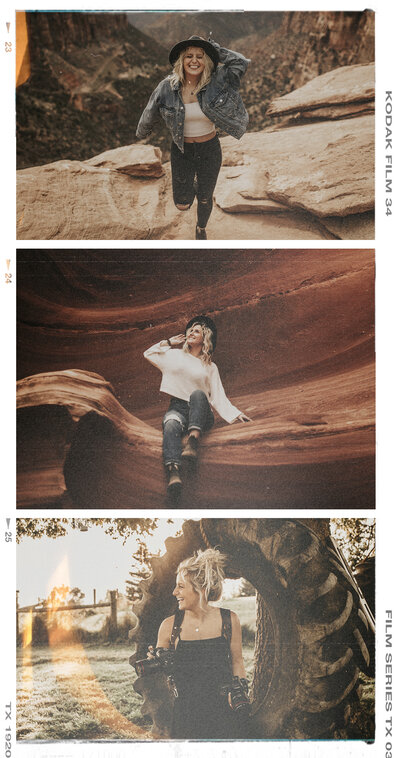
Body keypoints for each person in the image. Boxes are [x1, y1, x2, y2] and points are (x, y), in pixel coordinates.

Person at [136, 35, 250, 240]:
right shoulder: (167, 87)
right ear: (181, 60)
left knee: (205, 199)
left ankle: (201, 228)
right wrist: (142, 132)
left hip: (210, 149)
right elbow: (150, 110)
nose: (194, 60)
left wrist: (215, 50)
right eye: (189, 56)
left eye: (200, 56)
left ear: (207, 61)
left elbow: (240, 62)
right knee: (182, 203)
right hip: (182, 151)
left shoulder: (217, 80)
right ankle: (194, 186)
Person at [148, 548, 250, 739]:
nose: (174, 592)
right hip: (186, 715)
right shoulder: (169, 626)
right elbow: (159, 673)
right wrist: (154, 661)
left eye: (180, 586)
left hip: (224, 714)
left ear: (201, 588)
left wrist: (240, 695)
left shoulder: (229, 620)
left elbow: (237, 662)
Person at [143, 315, 251, 496]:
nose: (191, 332)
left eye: (197, 331)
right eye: (190, 330)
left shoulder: (210, 366)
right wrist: (169, 342)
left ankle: (193, 441)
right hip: (177, 407)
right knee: (170, 423)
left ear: (205, 338)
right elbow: (148, 354)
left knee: (198, 394)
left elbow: (217, 395)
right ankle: (174, 472)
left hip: (200, 411)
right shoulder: (174, 356)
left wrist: (236, 414)